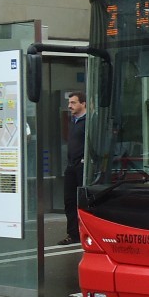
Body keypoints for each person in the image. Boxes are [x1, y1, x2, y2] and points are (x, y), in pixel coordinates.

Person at [62, 91, 86, 244]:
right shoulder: (73, 121)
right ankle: (73, 234)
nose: (69, 106)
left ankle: (86, 233)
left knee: (83, 202)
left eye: (73, 103)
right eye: (69, 103)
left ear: (83, 104)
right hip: (71, 166)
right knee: (69, 201)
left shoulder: (89, 121)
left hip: (82, 166)